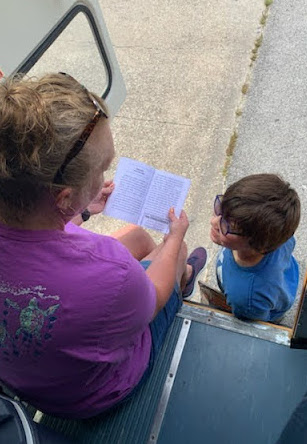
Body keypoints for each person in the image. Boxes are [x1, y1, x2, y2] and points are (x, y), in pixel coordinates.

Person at [0, 73, 207, 418]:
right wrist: (174, 238)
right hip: (92, 395)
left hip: (30, 384)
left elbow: (30, 232)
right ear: (62, 196)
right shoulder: (112, 271)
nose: (104, 178)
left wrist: (79, 210)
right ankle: (185, 278)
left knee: (139, 238)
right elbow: (151, 298)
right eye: (102, 169)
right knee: (174, 258)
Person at [209, 173, 300, 322]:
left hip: (264, 306)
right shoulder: (279, 233)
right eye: (221, 209)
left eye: (226, 226)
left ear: (259, 244)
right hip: (280, 282)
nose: (214, 222)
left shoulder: (246, 298)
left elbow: (256, 324)